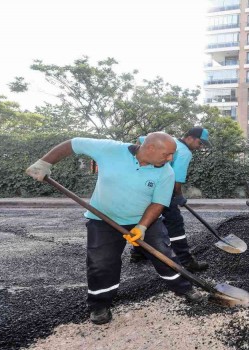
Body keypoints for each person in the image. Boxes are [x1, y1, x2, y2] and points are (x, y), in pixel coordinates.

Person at [25, 132, 202, 325]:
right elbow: (73, 144)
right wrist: (44, 163)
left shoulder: (166, 171)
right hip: (103, 220)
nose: (170, 159)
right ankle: (99, 305)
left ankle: (184, 288)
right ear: (150, 148)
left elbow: (158, 203)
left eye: (172, 155)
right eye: (167, 154)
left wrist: (142, 227)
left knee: (164, 254)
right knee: (101, 262)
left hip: (144, 220)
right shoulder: (110, 149)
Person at [129, 127, 211, 273]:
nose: (201, 146)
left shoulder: (167, 141)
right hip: (163, 190)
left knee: (147, 220)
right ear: (190, 138)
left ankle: (138, 253)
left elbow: (141, 140)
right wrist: (178, 196)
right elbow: (176, 181)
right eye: (200, 142)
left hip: (146, 188)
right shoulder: (185, 152)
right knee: (175, 224)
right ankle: (186, 261)